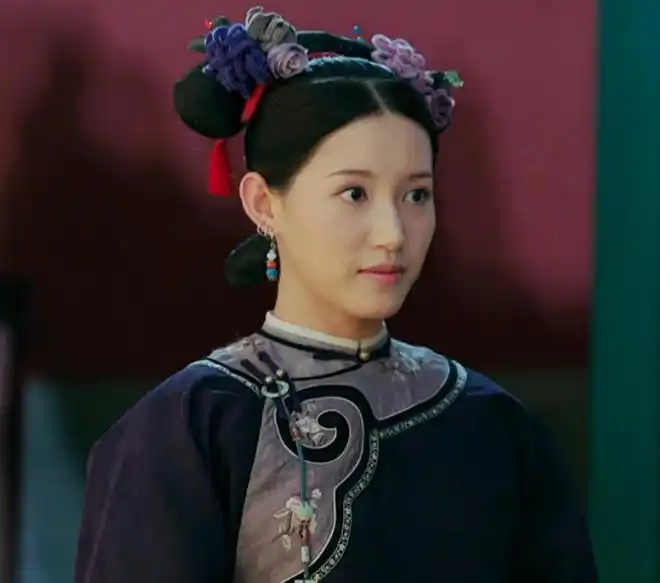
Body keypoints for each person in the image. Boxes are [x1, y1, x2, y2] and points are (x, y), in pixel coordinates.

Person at [74, 7, 598, 583]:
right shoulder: (191, 427)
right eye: (354, 193)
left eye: (416, 195)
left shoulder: (492, 423)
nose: (393, 234)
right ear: (263, 203)